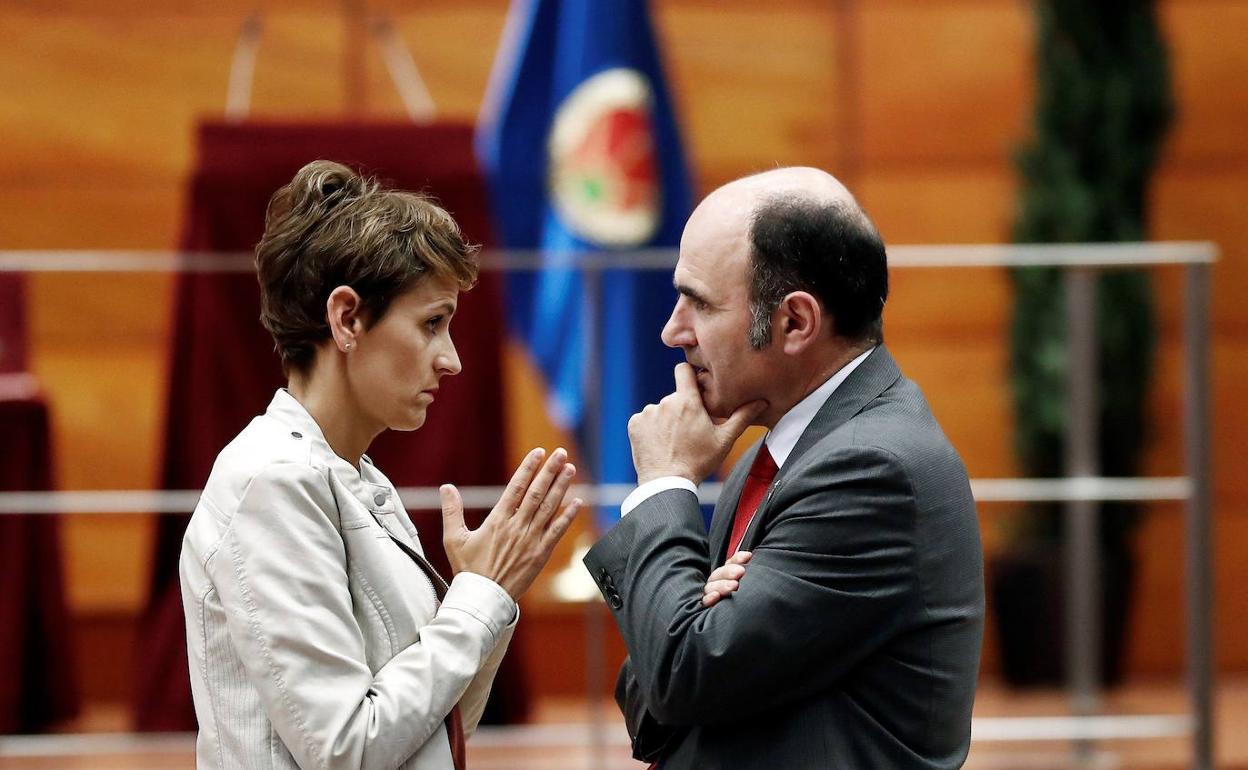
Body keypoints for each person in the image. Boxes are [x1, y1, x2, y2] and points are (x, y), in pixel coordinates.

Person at [180, 160, 581, 770]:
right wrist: (478, 598)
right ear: (346, 319)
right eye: (431, 324)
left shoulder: (356, 477)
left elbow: (432, 732)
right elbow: (347, 749)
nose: (452, 360)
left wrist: (487, 603)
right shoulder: (274, 480)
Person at [584, 167, 984, 769]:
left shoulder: (871, 470)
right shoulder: (772, 455)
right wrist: (686, 621)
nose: (672, 331)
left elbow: (680, 676)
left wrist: (665, 486)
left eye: (699, 303)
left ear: (795, 322)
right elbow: (653, 705)